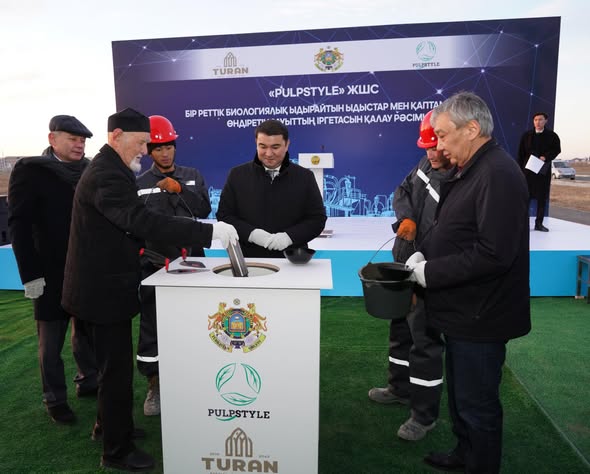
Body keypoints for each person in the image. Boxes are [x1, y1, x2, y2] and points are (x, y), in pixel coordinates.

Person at [61, 107, 237, 472]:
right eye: (142, 143)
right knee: (115, 372)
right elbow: (140, 220)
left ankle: (109, 426)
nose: (146, 150)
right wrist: (207, 232)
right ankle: (116, 451)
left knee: (112, 368)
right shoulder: (107, 174)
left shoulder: (112, 168)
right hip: (102, 292)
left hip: (104, 287)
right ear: (117, 137)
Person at [406, 92, 531, 473]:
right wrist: (424, 254)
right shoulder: (475, 168)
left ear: (472, 129)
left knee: (477, 405)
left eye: (444, 136)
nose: (439, 145)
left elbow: (494, 254)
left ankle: (479, 463)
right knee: (462, 398)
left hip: (483, 314)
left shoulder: (497, 174)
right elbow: (457, 230)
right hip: (465, 311)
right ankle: (465, 454)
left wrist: (430, 272)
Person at [7, 115, 98, 425]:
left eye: (82, 140)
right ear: (52, 139)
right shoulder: (31, 171)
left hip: (85, 270)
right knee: (50, 342)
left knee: (85, 332)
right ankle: (55, 399)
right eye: (72, 139)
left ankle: (88, 380)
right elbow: (19, 227)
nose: (79, 144)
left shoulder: (89, 170)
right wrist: (30, 276)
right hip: (48, 274)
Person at [368, 111, 452, 441]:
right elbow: (402, 190)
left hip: (429, 273)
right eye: (427, 147)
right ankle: (399, 389)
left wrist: (425, 264)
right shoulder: (425, 164)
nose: (432, 154)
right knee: (400, 331)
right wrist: (407, 218)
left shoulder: (460, 178)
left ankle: (423, 416)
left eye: (437, 147)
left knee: (425, 343)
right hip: (404, 263)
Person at [136, 114, 212, 417]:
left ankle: (197, 377)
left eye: (169, 147)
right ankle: (155, 385)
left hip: (194, 263)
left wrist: (180, 189)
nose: (165, 153)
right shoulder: (140, 184)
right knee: (153, 327)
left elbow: (204, 209)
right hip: (155, 265)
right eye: (158, 148)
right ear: (149, 151)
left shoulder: (192, 175)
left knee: (197, 322)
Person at [216, 119, 327, 257]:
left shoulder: (305, 177)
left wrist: (289, 237)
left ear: (287, 145)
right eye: (262, 146)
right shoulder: (237, 175)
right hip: (248, 258)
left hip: (292, 259)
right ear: (256, 143)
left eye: (275, 147)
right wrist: (252, 234)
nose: (268, 153)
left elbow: (317, 219)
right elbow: (224, 215)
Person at [517, 112, 561, 232]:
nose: (537, 122)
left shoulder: (552, 136)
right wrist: (520, 169)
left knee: (542, 198)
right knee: (526, 197)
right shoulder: (527, 135)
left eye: (540, 120)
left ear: (546, 121)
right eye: (535, 120)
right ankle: (523, 224)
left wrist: (546, 156)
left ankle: (539, 224)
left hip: (543, 171)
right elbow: (521, 153)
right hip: (528, 171)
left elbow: (557, 149)